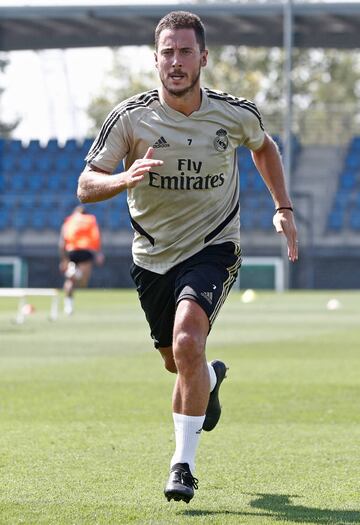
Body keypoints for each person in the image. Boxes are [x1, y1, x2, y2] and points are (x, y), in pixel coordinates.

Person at [77, 11, 298, 503]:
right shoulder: (130, 118)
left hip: (214, 247)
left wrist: (282, 207)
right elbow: (86, 184)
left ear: (203, 57)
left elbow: (265, 147)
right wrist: (122, 179)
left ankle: (183, 466)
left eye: (184, 52)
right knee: (179, 362)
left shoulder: (234, 113)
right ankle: (211, 378)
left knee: (187, 339)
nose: (175, 62)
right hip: (152, 258)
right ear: (155, 59)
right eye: (167, 53)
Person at [59, 205, 104, 315]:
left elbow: (62, 241)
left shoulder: (69, 221)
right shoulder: (90, 220)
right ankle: (77, 273)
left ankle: (68, 306)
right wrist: (98, 253)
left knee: (70, 281)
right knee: (83, 282)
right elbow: (96, 236)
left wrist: (64, 260)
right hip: (85, 251)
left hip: (71, 251)